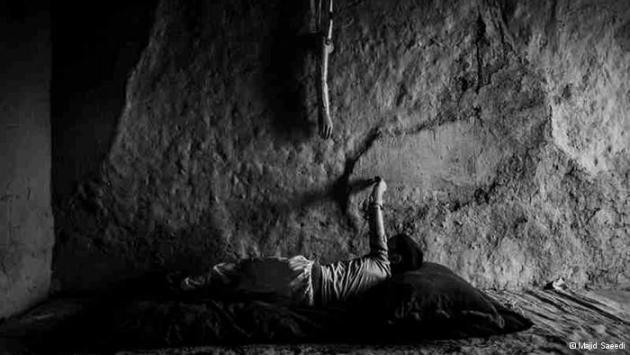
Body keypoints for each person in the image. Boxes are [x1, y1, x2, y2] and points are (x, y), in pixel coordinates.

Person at [173, 177, 423, 307]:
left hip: (303, 278)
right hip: (305, 296)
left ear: (396, 257)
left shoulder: (382, 263)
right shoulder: (382, 284)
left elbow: (374, 212)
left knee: (244, 269)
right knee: (245, 288)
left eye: (390, 244)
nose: (384, 243)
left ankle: (188, 285)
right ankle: (196, 288)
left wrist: (380, 189)